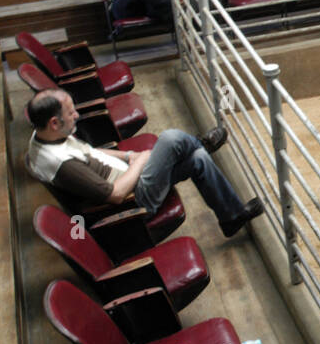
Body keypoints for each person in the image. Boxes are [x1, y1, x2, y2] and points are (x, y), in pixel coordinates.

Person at [25, 88, 262, 237]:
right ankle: (201, 142)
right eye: (70, 113)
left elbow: (90, 152)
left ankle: (231, 218)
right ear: (54, 122)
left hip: (130, 176)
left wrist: (130, 156)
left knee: (198, 158)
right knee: (170, 139)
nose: (76, 115)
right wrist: (142, 161)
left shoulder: (46, 136)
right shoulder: (62, 166)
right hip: (133, 202)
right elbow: (115, 195)